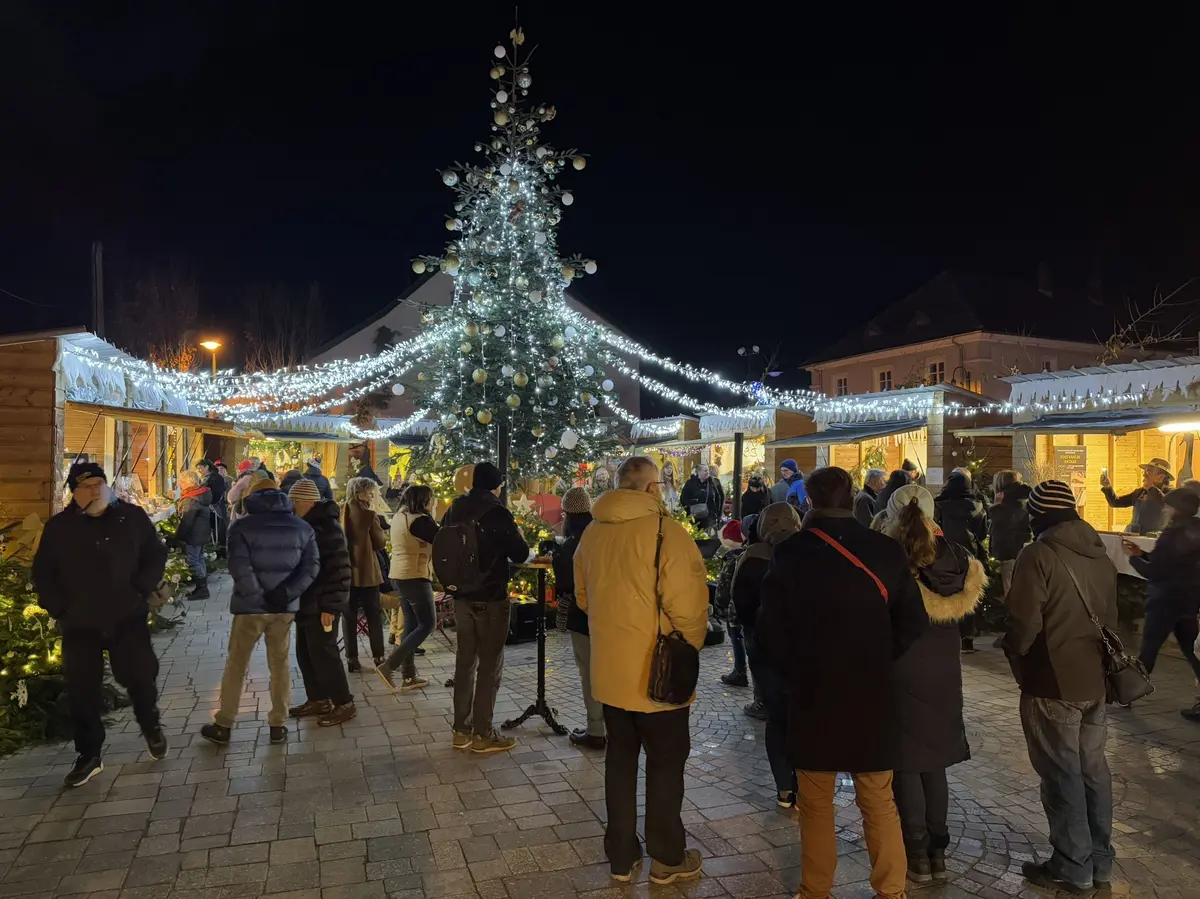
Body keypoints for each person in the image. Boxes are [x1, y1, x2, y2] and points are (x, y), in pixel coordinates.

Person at [758, 466, 927, 899]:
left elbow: (770, 631)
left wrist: (796, 670)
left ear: (809, 501)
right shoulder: (884, 551)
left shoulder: (792, 553)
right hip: (871, 692)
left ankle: (816, 890)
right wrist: (877, 657)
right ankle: (891, 890)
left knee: (814, 804)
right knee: (878, 799)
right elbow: (912, 620)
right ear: (851, 496)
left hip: (814, 694)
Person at [575, 456, 709, 885]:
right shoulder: (665, 533)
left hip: (611, 671)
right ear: (652, 489)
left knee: (620, 759)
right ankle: (667, 855)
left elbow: (582, 598)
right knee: (666, 763)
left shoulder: (592, 533)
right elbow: (687, 605)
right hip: (658, 673)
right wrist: (687, 643)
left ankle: (621, 855)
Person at [1003, 480, 1117, 895]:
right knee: (1093, 771)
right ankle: (1100, 861)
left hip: (1053, 680)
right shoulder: (1100, 552)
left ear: (1038, 515)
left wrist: (1014, 655)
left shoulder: (1038, 555)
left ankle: (1073, 865)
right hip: (1095, 680)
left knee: (1062, 775)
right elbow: (1112, 619)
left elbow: (1023, 623)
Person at [33, 462, 169, 787]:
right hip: (80, 624)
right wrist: (59, 607)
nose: (95, 491)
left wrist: (140, 588)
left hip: (127, 618)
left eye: (99, 484)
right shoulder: (59, 528)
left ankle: (150, 726)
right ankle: (89, 754)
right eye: (87, 486)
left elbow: (155, 553)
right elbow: (42, 574)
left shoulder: (131, 518)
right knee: (82, 691)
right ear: (74, 493)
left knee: (139, 677)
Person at [879, 485, 986, 882]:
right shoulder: (958, 557)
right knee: (934, 762)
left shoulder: (890, 558)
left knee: (906, 763)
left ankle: (917, 851)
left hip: (900, 667)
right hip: (944, 670)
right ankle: (937, 851)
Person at [201, 478, 319, 746]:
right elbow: (311, 568)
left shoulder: (241, 526)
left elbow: (239, 567)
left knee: (237, 664)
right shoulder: (302, 527)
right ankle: (278, 724)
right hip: (284, 609)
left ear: (253, 497)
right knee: (279, 664)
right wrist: (286, 594)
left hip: (250, 609)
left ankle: (225, 723)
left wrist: (258, 597)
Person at [443, 462, 529, 753]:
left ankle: (460, 730)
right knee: (490, 665)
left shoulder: (455, 508)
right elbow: (520, 552)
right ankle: (483, 733)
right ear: (497, 485)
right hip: (491, 598)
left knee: (465, 662)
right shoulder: (497, 513)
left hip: (461, 597)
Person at [731, 502, 802, 807]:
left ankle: (785, 788)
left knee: (777, 716)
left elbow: (741, 604)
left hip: (761, 647)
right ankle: (807, 783)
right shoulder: (806, 554)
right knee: (799, 714)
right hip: (800, 648)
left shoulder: (752, 558)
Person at [1122, 487, 1200, 720]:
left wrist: (1133, 558)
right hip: (1188, 599)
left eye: (1168, 505)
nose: (1164, 509)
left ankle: (1128, 693)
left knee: (1149, 648)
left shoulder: (1171, 535)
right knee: (1191, 650)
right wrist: (1143, 553)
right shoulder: (1195, 530)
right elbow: (1171, 562)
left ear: (1177, 510)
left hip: (1164, 600)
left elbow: (1155, 572)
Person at [286, 478, 356, 727]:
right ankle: (318, 698)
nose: (292, 506)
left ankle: (344, 702)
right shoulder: (304, 525)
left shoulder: (327, 527)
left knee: (325, 654)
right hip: (305, 603)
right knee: (306, 653)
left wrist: (330, 606)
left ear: (306, 502)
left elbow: (339, 569)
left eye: (294, 501)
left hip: (321, 604)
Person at [551, 487, 604, 749]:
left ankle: (596, 729)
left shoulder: (573, 544)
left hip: (584, 618)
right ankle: (616, 727)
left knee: (590, 673)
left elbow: (565, 582)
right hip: (612, 615)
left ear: (567, 515)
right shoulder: (603, 535)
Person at [378, 484, 440, 692]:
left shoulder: (400, 516)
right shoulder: (420, 521)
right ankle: (390, 665)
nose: (433, 502)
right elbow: (441, 539)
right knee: (428, 623)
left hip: (399, 574)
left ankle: (409, 675)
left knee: (411, 625)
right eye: (431, 498)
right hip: (415, 575)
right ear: (423, 500)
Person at [934, 469, 987, 653]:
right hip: (970, 554)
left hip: (944, 553)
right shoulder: (977, 506)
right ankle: (967, 638)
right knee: (969, 593)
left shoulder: (939, 505)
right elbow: (982, 533)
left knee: (946, 591)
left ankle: (948, 633)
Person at [342, 476, 389, 672]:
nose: (372, 496)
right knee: (373, 615)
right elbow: (380, 543)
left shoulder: (341, 512)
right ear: (360, 493)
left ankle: (352, 658)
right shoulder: (370, 516)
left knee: (349, 615)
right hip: (367, 572)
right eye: (369, 492)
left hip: (346, 571)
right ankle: (378, 656)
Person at [715, 518, 753, 690]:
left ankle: (740, 671)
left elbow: (723, 588)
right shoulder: (756, 552)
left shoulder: (732, 558)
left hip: (735, 610)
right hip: (751, 608)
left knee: (736, 638)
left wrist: (720, 606)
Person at [988, 470, 1032, 598]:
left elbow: (1000, 525)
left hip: (1008, 551)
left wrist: (995, 507)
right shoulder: (1023, 499)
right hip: (1021, 548)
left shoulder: (1005, 502)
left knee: (1010, 589)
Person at [1101, 457, 1172, 535]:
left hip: (1153, 540)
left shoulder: (1171, 493)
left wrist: (1151, 488)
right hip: (1133, 536)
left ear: (1160, 477)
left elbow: (1163, 503)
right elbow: (1115, 503)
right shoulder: (1139, 492)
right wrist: (1107, 487)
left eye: (1149, 472)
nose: (1144, 475)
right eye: (1144, 471)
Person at [176, 470, 213, 600]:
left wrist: (178, 535)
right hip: (202, 532)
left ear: (189, 482)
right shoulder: (200, 495)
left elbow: (186, 520)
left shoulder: (191, 499)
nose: (180, 483)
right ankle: (201, 587)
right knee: (199, 558)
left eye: (182, 481)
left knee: (193, 560)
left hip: (194, 534)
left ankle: (202, 588)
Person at [197, 459, 228, 552]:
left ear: (207, 467)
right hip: (207, 508)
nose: (199, 470)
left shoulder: (216, 478)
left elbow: (217, 493)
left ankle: (217, 552)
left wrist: (208, 502)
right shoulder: (205, 477)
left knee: (217, 531)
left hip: (214, 509)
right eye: (197, 469)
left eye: (200, 468)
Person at [679, 464, 721, 530]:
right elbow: (683, 498)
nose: (707, 472)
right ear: (699, 472)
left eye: (708, 470)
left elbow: (718, 498)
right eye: (705, 470)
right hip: (693, 518)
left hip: (708, 518)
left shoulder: (711, 483)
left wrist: (716, 513)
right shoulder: (690, 483)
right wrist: (689, 509)